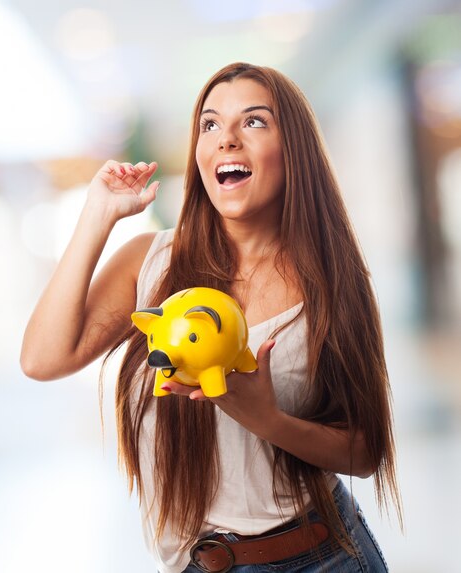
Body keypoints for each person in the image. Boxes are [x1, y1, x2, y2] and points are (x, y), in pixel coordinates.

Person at [21, 62, 402, 572]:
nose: (227, 140)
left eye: (253, 122)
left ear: (293, 151)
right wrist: (96, 215)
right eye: (210, 124)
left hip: (319, 558)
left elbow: (365, 452)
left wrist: (268, 420)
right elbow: (43, 359)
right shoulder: (151, 264)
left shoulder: (332, 283)